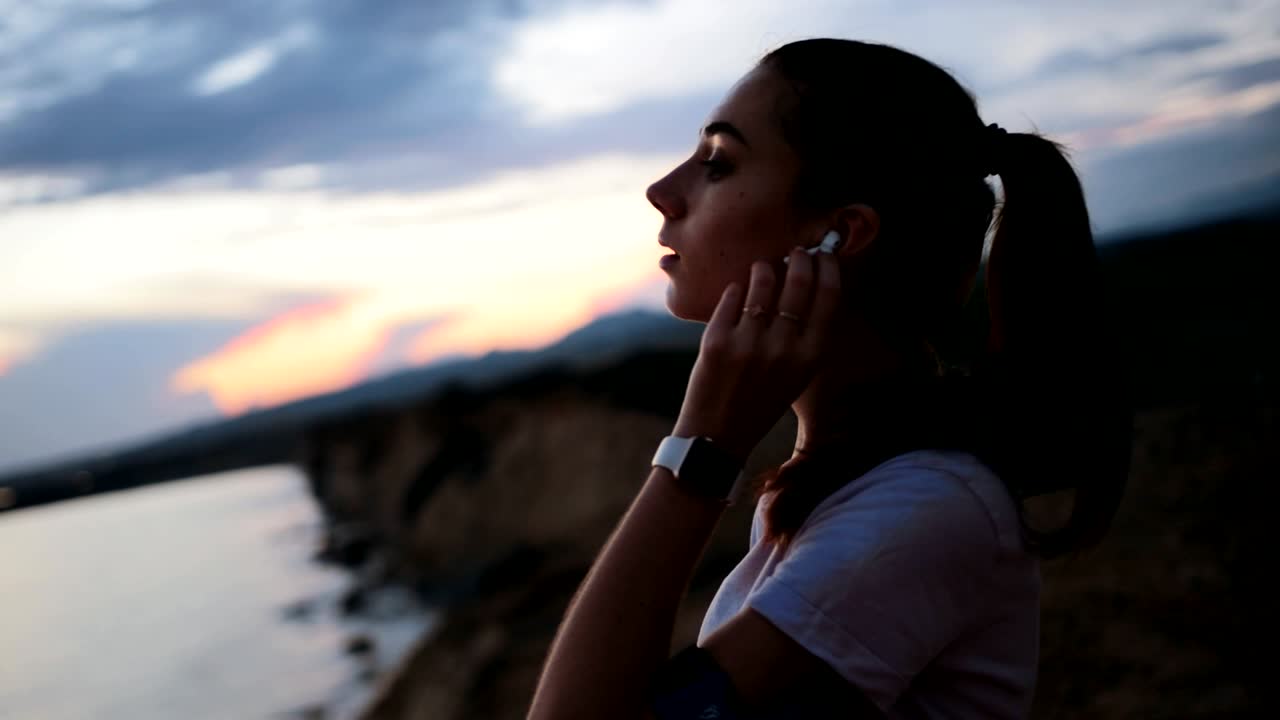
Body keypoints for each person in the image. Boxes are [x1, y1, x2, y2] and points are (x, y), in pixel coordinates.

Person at [528, 38, 1133, 719]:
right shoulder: (847, 487)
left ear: (840, 234)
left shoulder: (922, 512)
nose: (662, 192)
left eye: (718, 162)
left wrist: (697, 456)